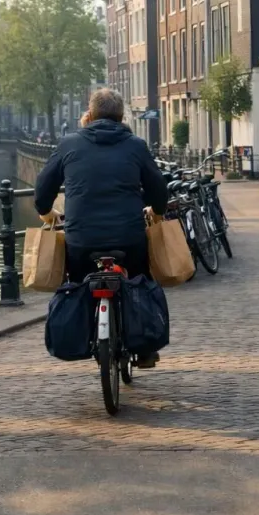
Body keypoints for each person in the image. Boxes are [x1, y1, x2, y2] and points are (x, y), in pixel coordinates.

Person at [34, 88, 169, 366]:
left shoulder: (68, 144)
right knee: (141, 278)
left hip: (82, 240)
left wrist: (47, 213)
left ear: (90, 113)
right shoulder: (136, 145)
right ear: (121, 117)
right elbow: (158, 189)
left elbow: (42, 191)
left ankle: (81, 335)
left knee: (78, 282)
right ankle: (145, 349)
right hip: (128, 238)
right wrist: (156, 212)